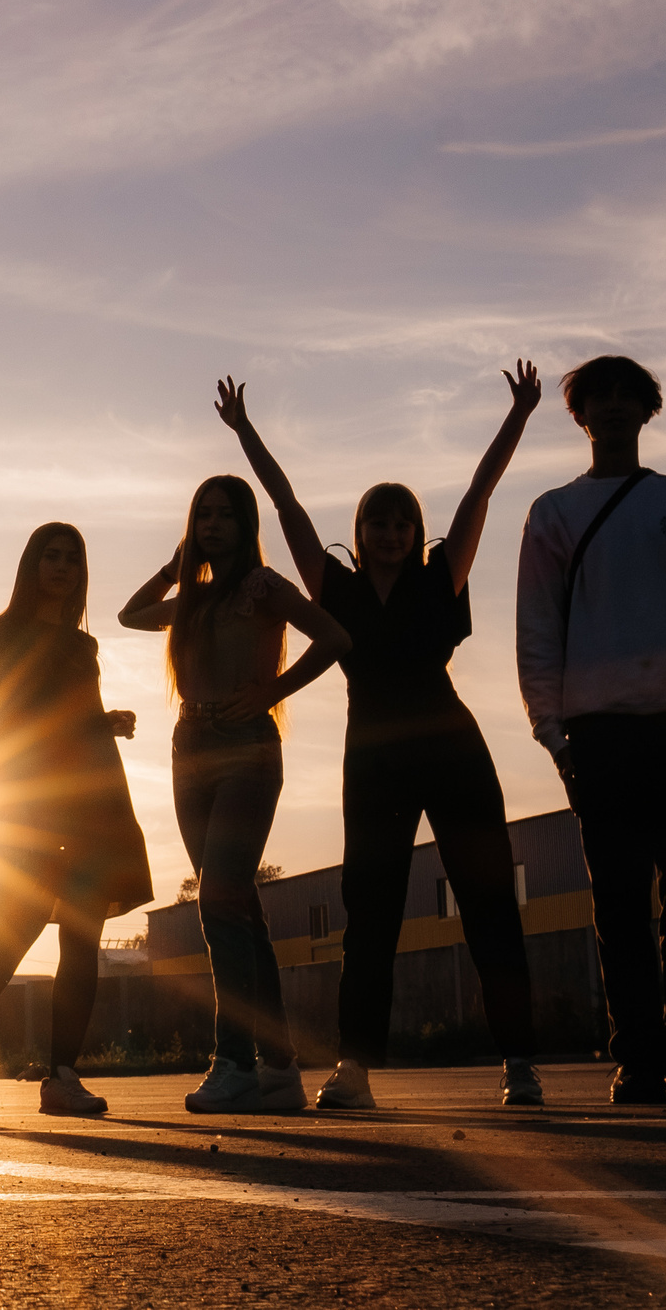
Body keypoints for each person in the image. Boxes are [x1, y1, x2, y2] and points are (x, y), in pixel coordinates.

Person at [218, 368, 545, 1111]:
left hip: (453, 752)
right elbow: (287, 504)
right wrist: (245, 433)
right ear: (360, 534)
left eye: (402, 522)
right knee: (370, 914)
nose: (391, 533)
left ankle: (519, 1061)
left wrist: (519, 415)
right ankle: (355, 1067)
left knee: (489, 904)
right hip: (373, 761)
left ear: (413, 530)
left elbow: (479, 494)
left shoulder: (442, 577)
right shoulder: (335, 588)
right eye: (377, 522)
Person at [515, 355, 666, 1105]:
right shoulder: (552, 512)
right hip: (599, 734)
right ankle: (638, 1059)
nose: (615, 406)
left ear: (648, 409)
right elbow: (537, 631)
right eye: (599, 397)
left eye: (629, 395)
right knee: (618, 905)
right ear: (580, 414)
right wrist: (553, 733)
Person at [121, 472, 349, 1115]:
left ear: (247, 526)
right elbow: (130, 614)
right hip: (189, 750)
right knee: (236, 908)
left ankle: (234, 1060)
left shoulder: (263, 586)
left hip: (248, 746)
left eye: (225, 515)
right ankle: (279, 1068)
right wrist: (173, 570)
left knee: (220, 898)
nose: (213, 525)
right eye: (203, 516)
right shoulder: (190, 600)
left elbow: (335, 637)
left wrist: (273, 693)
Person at [0, 523, 153, 1121]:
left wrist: (106, 724)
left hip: (94, 803)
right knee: (18, 929)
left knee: (82, 940)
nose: (62, 567)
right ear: (30, 565)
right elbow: (5, 725)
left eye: (73, 559)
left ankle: (63, 1077)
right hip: (31, 802)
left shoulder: (84, 647)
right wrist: (90, 727)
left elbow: (78, 721)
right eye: (51, 556)